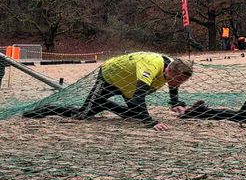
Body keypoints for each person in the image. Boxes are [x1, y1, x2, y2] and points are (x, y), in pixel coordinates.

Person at [23, 52, 193, 131]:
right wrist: (151, 123)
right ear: (170, 71)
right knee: (83, 115)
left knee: (133, 115)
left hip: (129, 86)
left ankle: (104, 104)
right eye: (178, 80)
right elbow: (139, 97)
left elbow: (173, 85)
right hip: (110, 79)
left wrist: (175, 103)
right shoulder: (151, 65)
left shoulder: (173, 67)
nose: (177, 84)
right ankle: (42, 110)